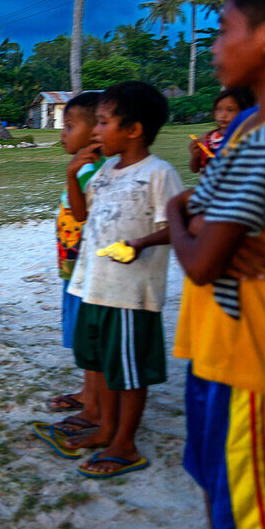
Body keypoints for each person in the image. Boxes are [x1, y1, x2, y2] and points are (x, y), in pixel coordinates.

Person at [157, 0, 265, 529]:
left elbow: (200, 257)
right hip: (215, 347)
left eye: (224, 29)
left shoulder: (262, 142)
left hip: (251, 363)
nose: (214, 45)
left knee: (258, 521)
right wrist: (193, 219)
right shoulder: (246, 133)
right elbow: (204, 223)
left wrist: (178, 215)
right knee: (217, 482)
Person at [61, 81, 183, 478]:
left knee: (129, 373)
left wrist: (139, 242)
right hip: (94, 287)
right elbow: (82, 217)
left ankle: (125, 444)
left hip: (131, 294)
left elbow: (175, 226)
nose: (95, 132)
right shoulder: (106, 170)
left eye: (103, 122)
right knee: (105, 364)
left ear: (134, 130)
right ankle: (107, 429)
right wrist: (72, 174)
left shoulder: (159, 174)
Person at [33, 92, 109, 458]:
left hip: (88, 272)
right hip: (73, 269)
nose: (63, 133)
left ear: (96, 132)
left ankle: (95, 406)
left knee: (90, 340)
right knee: (82, 339)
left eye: (69, 126)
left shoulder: (94, 172)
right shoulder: (83, 169)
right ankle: (87, 393)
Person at [189, 87, 257, 173]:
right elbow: (195, 169)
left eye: (230, 110)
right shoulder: (207, 138)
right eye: (218, 109)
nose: (223, 115)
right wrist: (195, 156)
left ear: (245, 112)